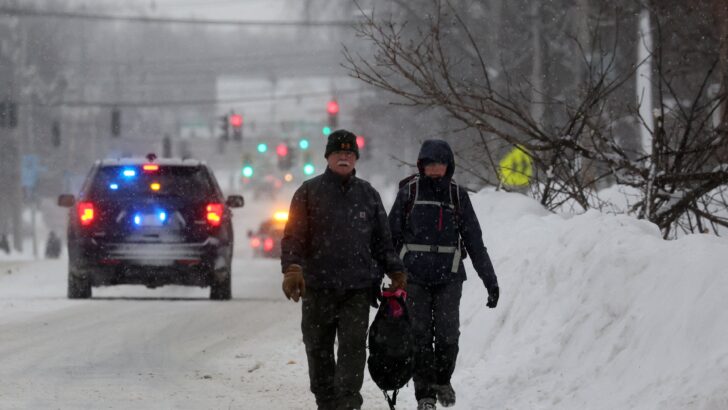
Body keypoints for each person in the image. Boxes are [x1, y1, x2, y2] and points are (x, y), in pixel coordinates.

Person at [280, 129, 407, 410]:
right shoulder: (308, 192)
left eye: (349, 154)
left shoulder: (368, 195)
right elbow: (293, 236)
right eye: (339, 153)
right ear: (328, 157)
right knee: (318, 347)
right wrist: (292, 269)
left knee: (353, 347)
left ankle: (348, 403)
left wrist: (396, 272)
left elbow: (383, 242)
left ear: (356, 159)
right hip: (317, 287)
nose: (344, 157)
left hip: (357, 289)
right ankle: (325, 401)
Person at [388, 139, 499, 410]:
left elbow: (474, 241)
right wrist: (385, 274)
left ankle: (443, 380)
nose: (435, 169)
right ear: (421, 165)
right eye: (430, 164)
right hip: (414, 277)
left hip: (448, 277)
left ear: (448, 166)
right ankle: (425, 396)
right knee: (420, 336)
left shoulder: (457, 196)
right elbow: (390, 238)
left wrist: (490, 281)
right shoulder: (409, 193)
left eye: (440, 164)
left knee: (448, 335)